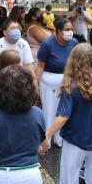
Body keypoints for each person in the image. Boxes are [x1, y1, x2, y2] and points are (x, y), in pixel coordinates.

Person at [43, 44, 92, 184]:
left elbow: (63, 117)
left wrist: (47, 135)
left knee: (68, 178)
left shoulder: (71, 87)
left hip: (75, 141)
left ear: (72, 62)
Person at [36, 17, 78, 147]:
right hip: (49, 82)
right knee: (50, 111)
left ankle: (61, 139)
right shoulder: (47, 44)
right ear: (58, 31)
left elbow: (77, 64)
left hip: (68, 80)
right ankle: (47, 139)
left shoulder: (74, 43)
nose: (70, 32)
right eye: (67, 29)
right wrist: (34, 85)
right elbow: (40, 66)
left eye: (71, 29)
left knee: (65, 111)